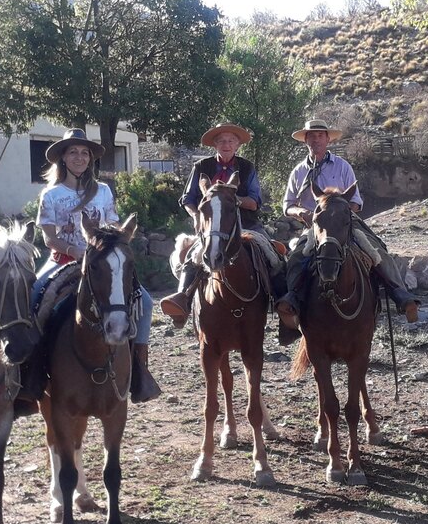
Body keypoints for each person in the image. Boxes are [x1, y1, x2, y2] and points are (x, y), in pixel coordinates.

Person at [33, 128, 160, 403]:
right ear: (63, 159)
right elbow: (48, 236)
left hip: (102, 263)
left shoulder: (102, 191)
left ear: (90, 159)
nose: (79, 157)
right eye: (73, 152)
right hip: (63, 261)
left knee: (146, 303)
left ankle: (139, 370)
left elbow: (112, 223)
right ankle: (33, 374)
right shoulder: (51, 194)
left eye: (84, 153)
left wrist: (121, 234)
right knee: (34, 297)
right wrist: (75, 250)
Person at [273, 118, 419, 343]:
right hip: (315, 225)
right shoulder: (299, 171)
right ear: (306, 141)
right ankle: (292, 299)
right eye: (311, 136)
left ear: (328, 139)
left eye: (320, 135)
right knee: (297, 256)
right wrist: (302, 213)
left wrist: (340, 212)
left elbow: (357, 201)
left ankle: (401, 295)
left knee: (375, 249)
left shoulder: (343, 166)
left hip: (344, 222)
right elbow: (287, 205)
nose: (315, 140)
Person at [159, 121, 287, 328]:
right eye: (222, 141)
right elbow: (188, 198)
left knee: (273, 255)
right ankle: (182, 300)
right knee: (193, 255)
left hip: (246, 225)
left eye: (231, 141)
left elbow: (254, 202)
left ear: (237, 145)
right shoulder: (201, 167)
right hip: (211, 227)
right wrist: (196, 215)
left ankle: (283, 306)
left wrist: (232, 199)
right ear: (215, 145)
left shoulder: (247, 168)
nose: (226, 145)